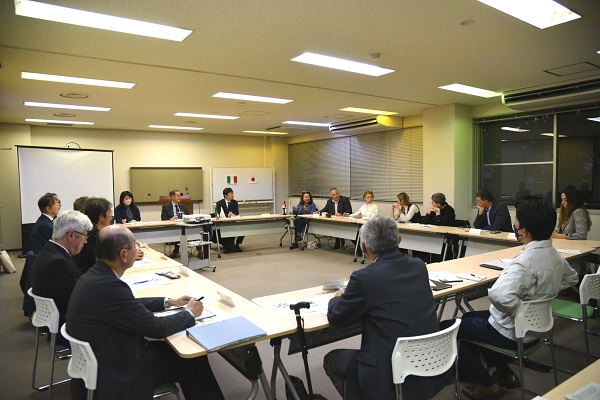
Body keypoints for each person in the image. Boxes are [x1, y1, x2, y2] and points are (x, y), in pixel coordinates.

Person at [66, 225, 224, 400]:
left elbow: (130, 304)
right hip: (119, 369)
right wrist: (189, 313)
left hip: (102, 357)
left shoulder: (95, 276)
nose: (138, 249)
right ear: (124, 254)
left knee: (175, 349)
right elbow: (157, 328)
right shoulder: (110, 286)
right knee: (192, 357)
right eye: (135, 246)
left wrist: (168, 302)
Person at [443, 198, 578, 400]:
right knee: (470, 318)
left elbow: (498, 295)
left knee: (448, 326)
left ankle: (488, 385)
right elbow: (572, 278)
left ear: (523, 230)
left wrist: (518, 309)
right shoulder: (554, 255)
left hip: (511, 331)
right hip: (536, 329)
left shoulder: (523, 262)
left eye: (516, 221)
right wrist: (540, 295)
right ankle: (506, 374)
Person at [323, 216, 451, 400]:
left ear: (364, 248)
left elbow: (337, 316)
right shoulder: (419, 265)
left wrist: (338, 297)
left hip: (388, 371)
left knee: (332, 360)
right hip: (429, 361)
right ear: (399, 240)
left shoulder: (364, 278)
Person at [30, 210, 92, 344]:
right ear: (71, 235)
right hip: (68, 328)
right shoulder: (58, 264)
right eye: (85, 236)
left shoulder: (50, 252)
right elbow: (81, 303)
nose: (85, 242)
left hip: (61, 321)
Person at [74, 197, 141, 274]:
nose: (111, 216)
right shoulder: (91, 235)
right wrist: (129, 256)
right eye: (110, 213)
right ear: (101, 218)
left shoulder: (95, 231)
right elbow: (106, 260)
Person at [215, 187, 245, 253]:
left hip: (232, 222)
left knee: (243, 228)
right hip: (223, 223)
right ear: (225, 195)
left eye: (232, 194)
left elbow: (237, 212)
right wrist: (228, 214)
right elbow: (219, 213)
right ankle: (227, 245)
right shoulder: (219, 203)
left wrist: (233, 214)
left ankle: (237, 244)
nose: (233, 195)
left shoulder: (235, 202)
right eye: (231, 194)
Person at [160, 189, 189, 258]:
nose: (179, 197)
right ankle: (176, 251)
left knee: (194, 231)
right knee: (179, 233)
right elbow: (163, 218)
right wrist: (170, 219)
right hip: (173, 227)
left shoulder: (183, 207)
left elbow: (188, 216)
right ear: (172, 197)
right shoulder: (166, 207)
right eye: (178, 196)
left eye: (180, 196)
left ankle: (200, 251)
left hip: (183, 226)